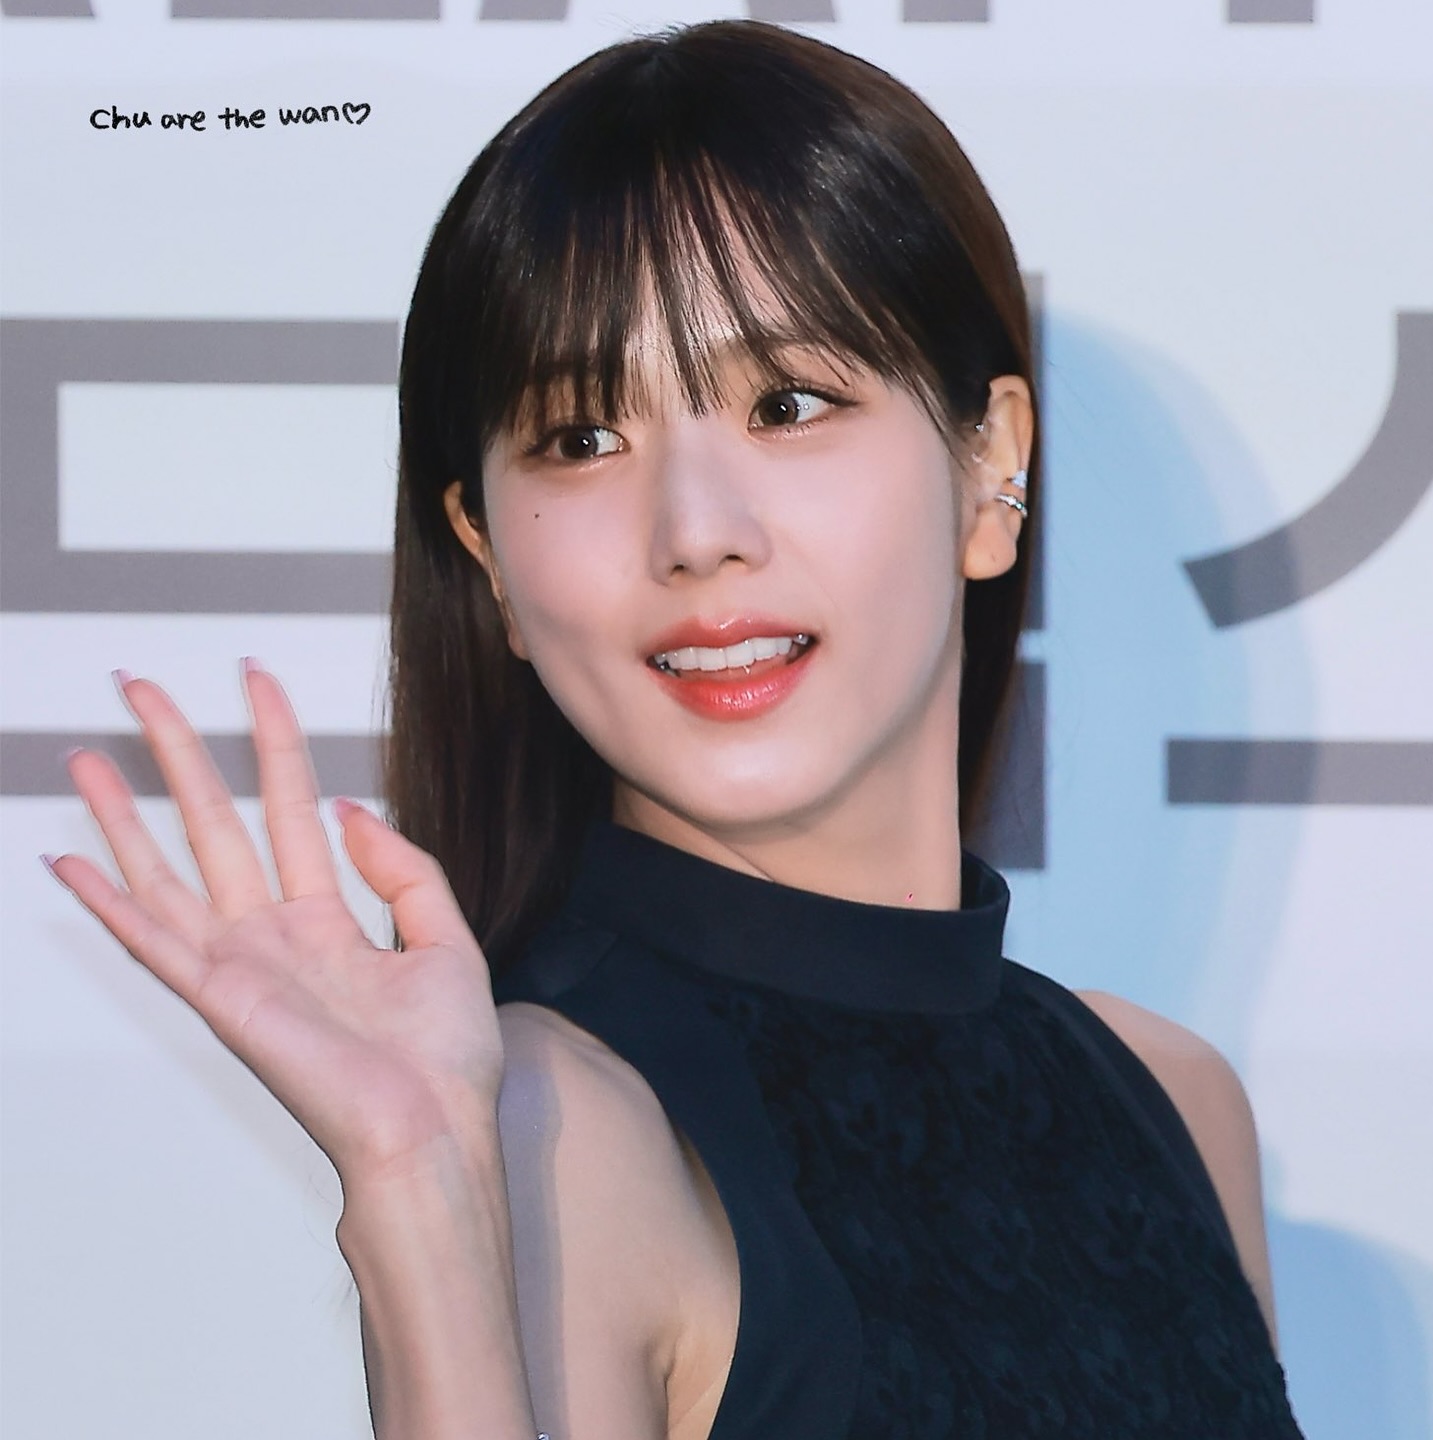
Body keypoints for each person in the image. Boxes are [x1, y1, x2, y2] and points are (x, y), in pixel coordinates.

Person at [48, 20, 1306, 1440]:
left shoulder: (1174, 1102)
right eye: (582, 439)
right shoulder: (547, 1121)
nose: (696, 533)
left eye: (789, 403)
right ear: (489, 557)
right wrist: (417, 1194)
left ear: (988, 462)